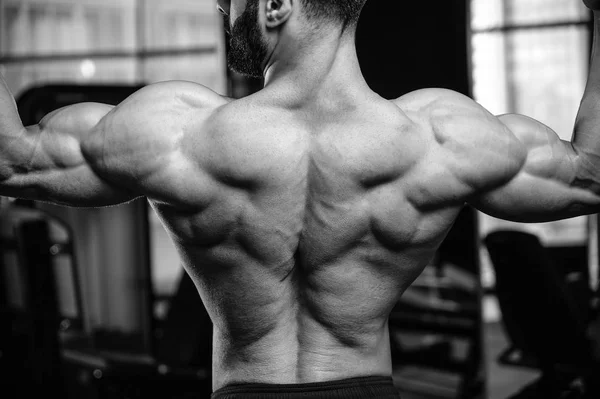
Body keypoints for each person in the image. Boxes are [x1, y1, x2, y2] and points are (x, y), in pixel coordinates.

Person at [1, 0, 600, 397]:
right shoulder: (439, 138)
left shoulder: (179, 133)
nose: (222, 9)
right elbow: (590, 176)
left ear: (275, 4)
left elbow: (12, 159)